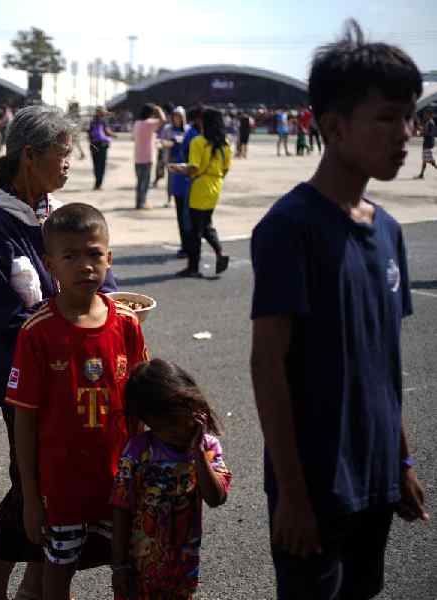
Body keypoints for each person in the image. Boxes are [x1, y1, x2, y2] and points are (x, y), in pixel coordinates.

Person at [250, 21, 428, 600]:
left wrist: (399, 459)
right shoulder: (289, 228)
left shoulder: (389, 231)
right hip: (318, 484)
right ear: (332, 126)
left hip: (376, 476)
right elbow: (268, 367)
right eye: (387, 118)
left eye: (411, 116)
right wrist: (293, 495)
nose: (407, 133)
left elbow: (383, 363)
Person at [0, 105, 117, 600]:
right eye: (63, 153)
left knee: (59, 484)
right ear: (29, 156)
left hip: (73, 378)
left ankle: (35, 586)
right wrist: (64, 325)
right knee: (28, 482)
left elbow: (103, 287)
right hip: (23, 380)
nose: (70, 163)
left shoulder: (54, 216)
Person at [7, 203, 148, 600]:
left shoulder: (126, 323)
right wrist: (32, 500)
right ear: (50, 265)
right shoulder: (37, 332)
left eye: (94, 254)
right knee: (58, 571)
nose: (85, 265)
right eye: (70, 256)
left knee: (127, 566)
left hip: (120, 483)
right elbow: (25, 421)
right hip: (63, 488)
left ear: (109, 258)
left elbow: (143, 400)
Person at [111, 359, 231, 600]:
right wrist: (119, 567)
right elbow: (121, 511)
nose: (177, 431)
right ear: (149, 423)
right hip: (139, 570)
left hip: (182, 570)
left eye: (179, 420)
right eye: (165, 426)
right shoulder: (137, 452)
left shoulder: (207, 449)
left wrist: (197, 453)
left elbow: (216, 497)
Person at [169, 108, 231, 278]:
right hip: (215, 186)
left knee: (194, 229)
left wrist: (177, 168)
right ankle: (219, 251)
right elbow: (226, 169)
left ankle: (193, 267)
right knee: (206, 223)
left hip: (199, 187)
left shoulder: (198, 141)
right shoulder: (225, 144)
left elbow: (193, 167)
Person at [164, 107, 191, 258]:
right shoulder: (168, 129)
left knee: (186, 212)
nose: (176, 119)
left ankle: (188, 245)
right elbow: (163, 142)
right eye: (174, 116)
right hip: (174, 164)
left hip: (186, 167)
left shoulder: (189, 131)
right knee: (179, 205)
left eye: (179, 116)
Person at [131, 104, 166, 209]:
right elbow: (163, 120)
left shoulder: (137, 123)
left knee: (139, 182)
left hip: (137, 157)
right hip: (147, 157)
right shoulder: (150, 123)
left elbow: (133, 138)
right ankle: (142, 202)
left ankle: (138, 202)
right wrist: (159, 109)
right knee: (145, 183)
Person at [88, 107, 115, 190]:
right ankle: (99, 184)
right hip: (102, 145)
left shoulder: (92, 122)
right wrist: (114, 135)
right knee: (102, 165)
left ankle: (96, 183)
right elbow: (107, 132)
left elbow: (89, 134)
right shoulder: (103, 121)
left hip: (93, 145)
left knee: (96, 165)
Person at [414, 109, 436, 179]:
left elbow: (432, 133)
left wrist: (422, 132)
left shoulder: (431, 123)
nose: (425, 116)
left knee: (430, 160)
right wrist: (422, 131)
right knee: (424, 160)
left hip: (428, 144)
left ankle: (421, 174)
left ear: (430, 115)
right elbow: (426, 132)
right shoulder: (428, 122)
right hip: (426, 143)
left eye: (426, 114)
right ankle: (421, 174)